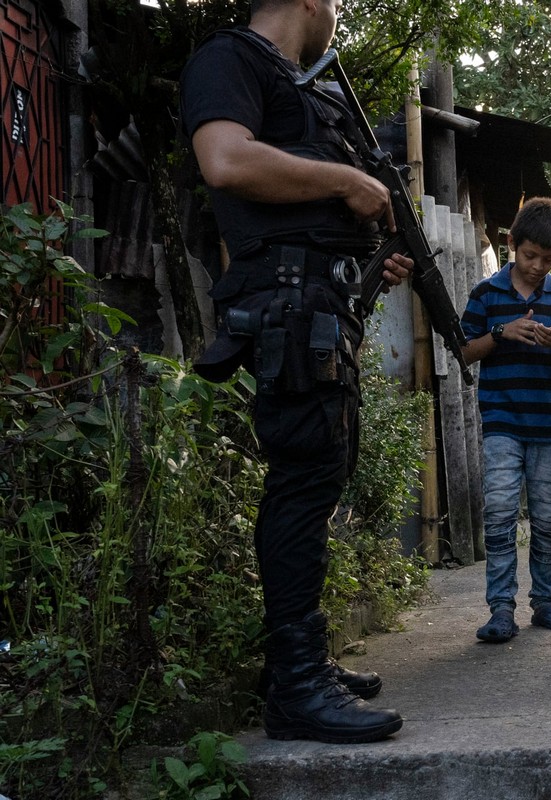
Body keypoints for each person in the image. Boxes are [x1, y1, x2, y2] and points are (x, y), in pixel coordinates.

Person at [180, 0, 411, 743]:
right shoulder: (232, 58)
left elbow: (305, 214)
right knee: (301, 479)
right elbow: (225, 158)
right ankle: (295, 687)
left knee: (318, 478)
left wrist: (372, 258)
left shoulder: (301, 85)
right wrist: (347, 183)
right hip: (285, 309)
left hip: (316, 310)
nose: (338, 13)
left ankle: (298, 664)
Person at [460, 197, 551, 643]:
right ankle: (501, 608)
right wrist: (501, 332)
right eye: (530, 256)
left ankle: (545, 602)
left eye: (547, 259)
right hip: (502, 421)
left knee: (549, 516)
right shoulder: (486, 293)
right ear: (512, 243)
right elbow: (464, 350)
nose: (536, 266)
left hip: (550, 425)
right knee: (500, 512)